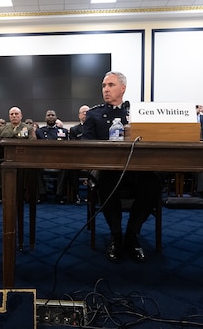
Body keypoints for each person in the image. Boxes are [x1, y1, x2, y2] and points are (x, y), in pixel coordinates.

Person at [82, 71, 162, 263]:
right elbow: (86, 145)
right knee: (107, 182)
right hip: (109, 169)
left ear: (123, 88)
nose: (106, 89)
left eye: (110, 85)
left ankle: (132, 234)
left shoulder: (138, 113)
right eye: (104, 86)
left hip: (137, 169)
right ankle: (116, 236)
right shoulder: (94, 114)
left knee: (154, 184)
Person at [35, 110, 69, 203]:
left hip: (59, 159)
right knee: (35, 167)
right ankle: (42, 194)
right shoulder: (39, 132)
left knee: (65, 167)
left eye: (52, 115)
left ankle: (59, 195)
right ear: (45, 118)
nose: (50, 117)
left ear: (56, 117)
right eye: (48, 115)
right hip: (43, 159)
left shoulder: (63, 131)